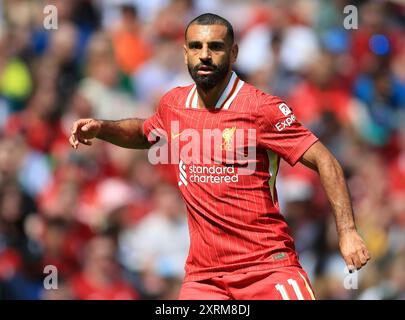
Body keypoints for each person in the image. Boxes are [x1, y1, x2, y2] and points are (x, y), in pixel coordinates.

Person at [69, 13, 370, 300]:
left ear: (234, 52)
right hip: (204, 278)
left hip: (266, 268)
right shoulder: (173, 104)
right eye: (196, 46)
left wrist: (348, 232)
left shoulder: (260, 108)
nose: (205, 55)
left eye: (215, 47)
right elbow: (144, 133)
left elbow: (325, 160)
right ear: (185, 52)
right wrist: (102, 128)